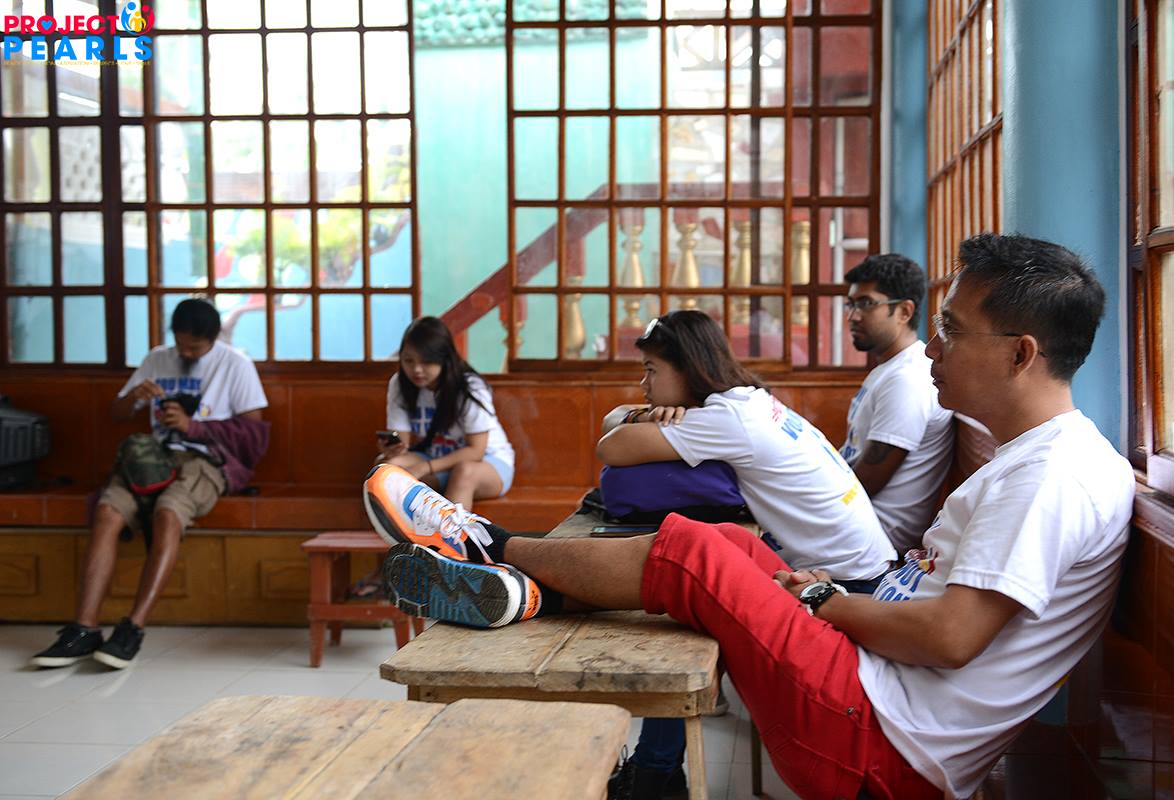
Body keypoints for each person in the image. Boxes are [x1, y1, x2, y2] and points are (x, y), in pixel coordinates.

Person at [366, 233, 1133, 800]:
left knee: (696, 555)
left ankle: (485, 543)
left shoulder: (1053, 476)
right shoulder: (1036, 457)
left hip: (878, 738)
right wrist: (819, 595)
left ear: (1021, 354)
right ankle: (525, 592)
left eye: (953, 330)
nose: (932, 348)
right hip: (873, 688)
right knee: (730, 541)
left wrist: (823, 599)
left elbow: (949, 636)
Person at [590, 309, 896, 798]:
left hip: (841, 585)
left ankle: (656, 775)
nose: (643, 384)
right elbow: (615, 428)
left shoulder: (726, 419)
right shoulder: (749, 400)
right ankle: (657, 770)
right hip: (863, 569)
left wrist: (637, 417)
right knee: (702, 579)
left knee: (688, 602)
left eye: (651, 370)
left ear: (687, 369)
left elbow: (611, 448)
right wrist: (643, 412)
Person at [32, 298, 269, 669]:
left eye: (195, 348)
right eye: (181, 344)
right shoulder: (158, 359)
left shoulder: (235, 364)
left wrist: (193, 427)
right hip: (151, 459)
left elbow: (254, 437)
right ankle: (83, 628)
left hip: (205, 461)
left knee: (168, 513)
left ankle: (133, 628)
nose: (186, 353)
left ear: (212, 339)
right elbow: (117, 412)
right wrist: (133, 397)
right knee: (108, 512)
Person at [840, 253, 955, 551]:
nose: (853, 316)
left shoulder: (907, 379)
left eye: (866, 303)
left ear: (904, 311)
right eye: (851, 304)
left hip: (868, 543)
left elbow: (866, 484)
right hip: (852, 526)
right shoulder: (889, 369)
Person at [373, 316, 514, 510]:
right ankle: (399, 529)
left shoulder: (470, 387)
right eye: (408, 360)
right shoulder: (400, 384)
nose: (416, 369)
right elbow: (403, 445)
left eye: (426, 362)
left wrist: (425, 468)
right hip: (435, 458)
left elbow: (476, 451)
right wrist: (392, 449)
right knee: (388, 467)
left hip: (487, 462)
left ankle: (453, 530)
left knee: (464, 472)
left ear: (444, 359)